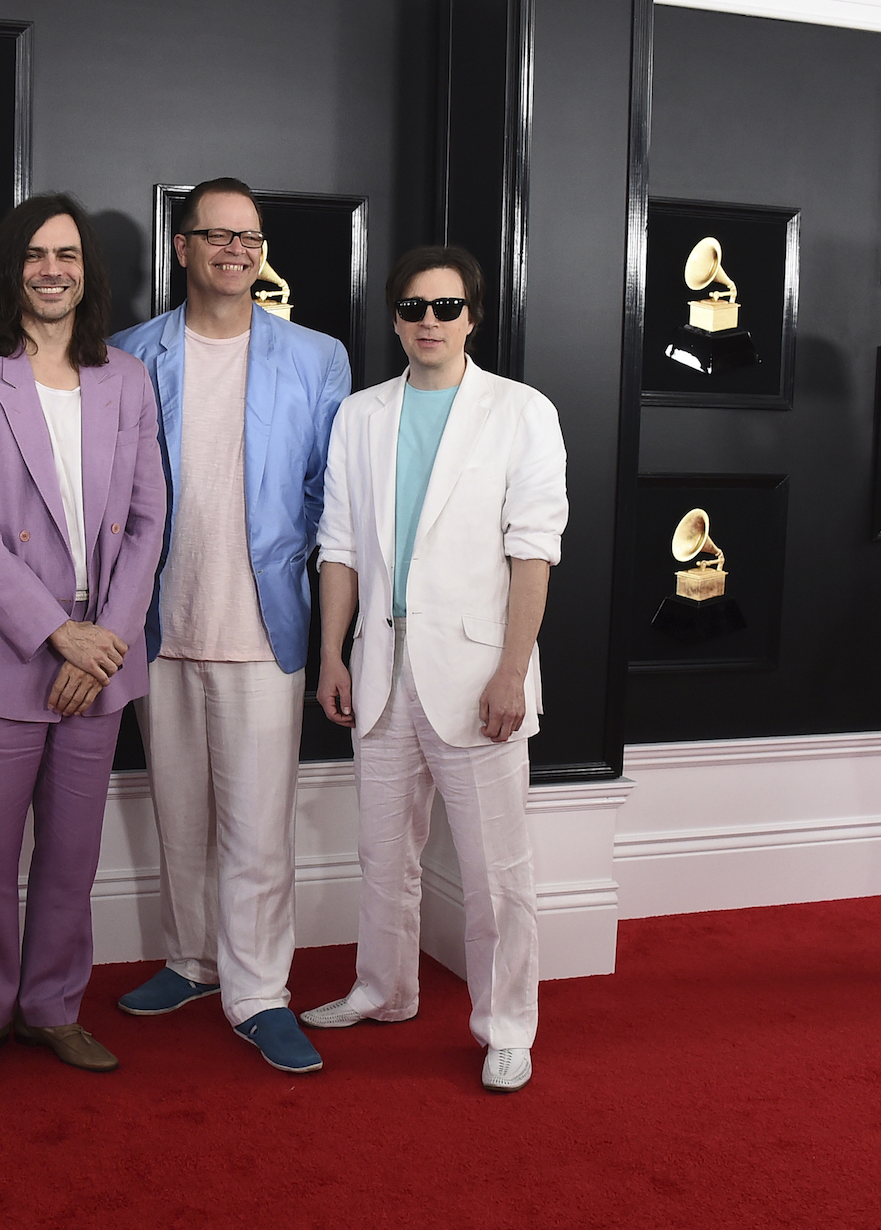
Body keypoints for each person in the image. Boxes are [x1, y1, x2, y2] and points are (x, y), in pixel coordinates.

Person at [303, 245, 567, 1094]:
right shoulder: (361, 415)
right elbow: (337, 546)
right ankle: (384, 991)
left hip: (480, 675)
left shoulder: (522, 412)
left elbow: (534, 554)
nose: (429, 322)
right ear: (394, 317)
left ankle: (507, 1025)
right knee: (384, 855)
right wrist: (331, 655)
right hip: (380, 670)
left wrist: (510, 672)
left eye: (446, 308)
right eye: (414, 308)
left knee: (497, 873)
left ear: (473, 318)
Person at [110, 178, 350, 1074]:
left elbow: (332, 503)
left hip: (268, 628)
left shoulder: (317, 358)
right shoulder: (130, 355)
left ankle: (260, 993)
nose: (236, 251)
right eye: (217, 235)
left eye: (250, 238)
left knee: (258, 826)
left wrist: (332, 637)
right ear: (183, 248)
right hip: (159, 625)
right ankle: (193, 960)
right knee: (178, 815)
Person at [0, 195, 166, 1083]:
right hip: (8, 652)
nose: (52, 269)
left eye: (67, 254)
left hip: (101, 654)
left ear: (87, 272)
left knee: (73, 853)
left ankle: (53, 1008)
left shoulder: (127, 380)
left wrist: (103, 638)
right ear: (13, 269)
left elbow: (150, 519)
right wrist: (57, 634)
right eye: (35, 254)